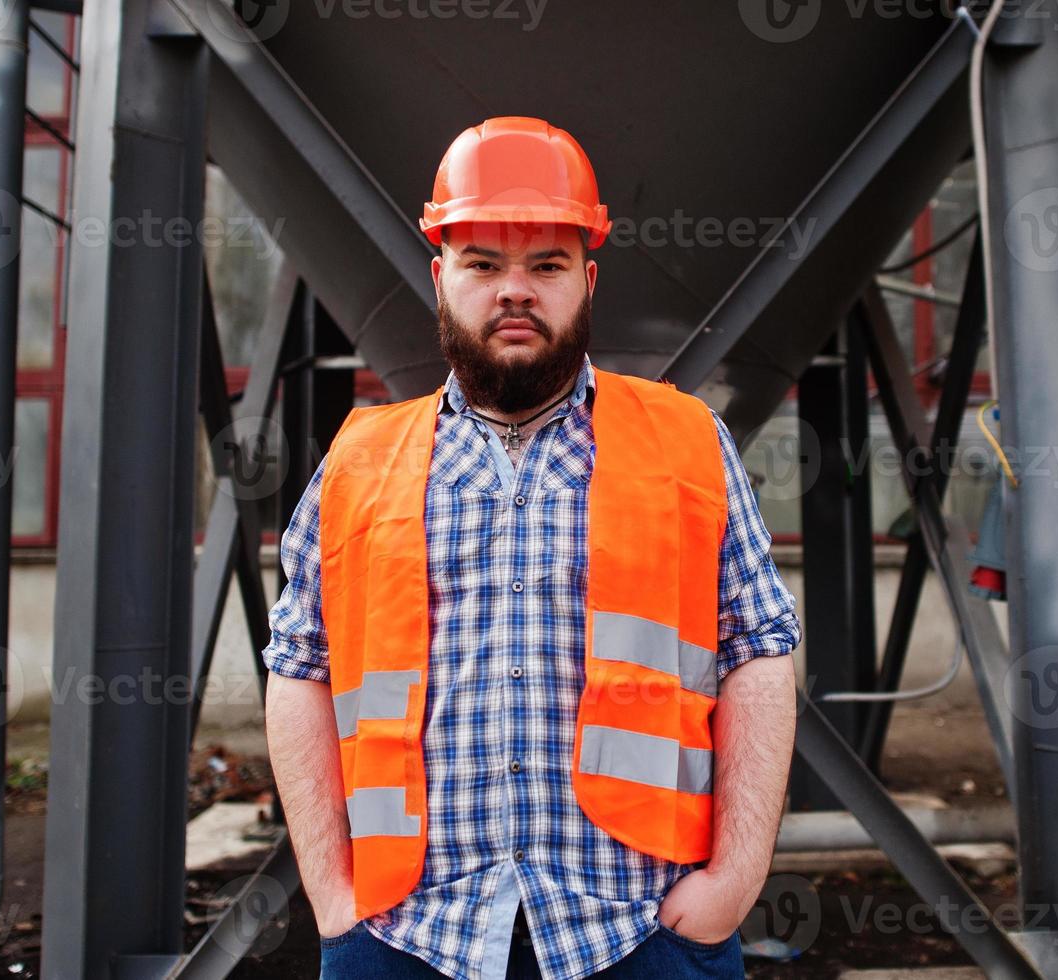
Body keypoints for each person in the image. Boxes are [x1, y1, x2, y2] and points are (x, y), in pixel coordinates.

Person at [262, 116, 802, 980]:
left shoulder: (686, 440)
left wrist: (734, 881)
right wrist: (331, 895)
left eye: (545, 265)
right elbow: (299, 667)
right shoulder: (358, 459)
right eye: (482, 264)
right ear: (440, 278)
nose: (514, 290)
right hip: (405, 932)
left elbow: (759, 654)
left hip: (640, 925)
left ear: (586, 279)